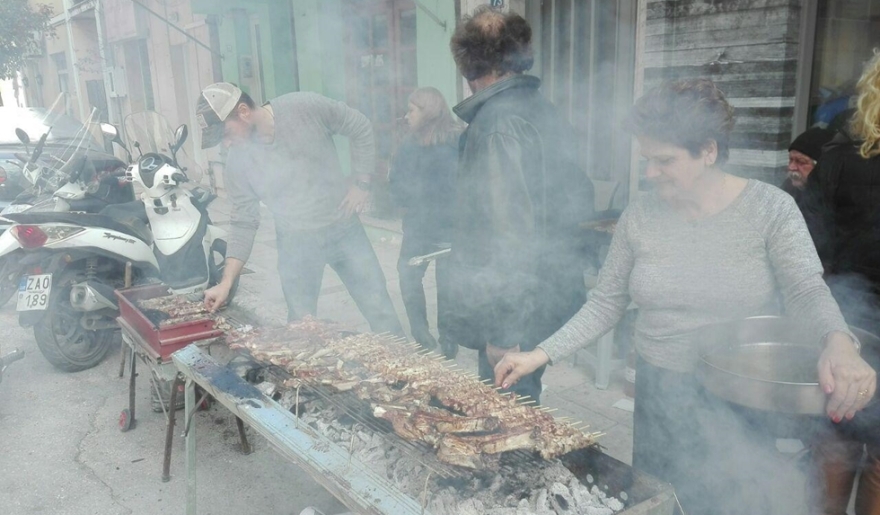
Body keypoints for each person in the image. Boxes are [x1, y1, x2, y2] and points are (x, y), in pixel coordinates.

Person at [494, 78, 877, 515]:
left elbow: (807, 289)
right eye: (647, 160)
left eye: (664, 161)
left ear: (708, 151)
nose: (650, 173)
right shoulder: (641, 214)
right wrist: (540, 354)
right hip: (661, 392)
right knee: (660, 499)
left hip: (737, 399)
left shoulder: (770, 209)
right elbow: (605, 302)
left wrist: (839, 341)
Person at [447, 7, 595, 403]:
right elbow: (577, 197)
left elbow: (507, 235)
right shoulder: (542, 109)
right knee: (526, 402)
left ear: (468, 63)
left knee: (505, 414)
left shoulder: (497, 123)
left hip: (518, 307)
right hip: (548, 291)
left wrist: (502, 330)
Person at [196, 83, 402, 335]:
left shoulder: (303, 107)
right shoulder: (238, 162)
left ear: (243, 111)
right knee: (300, 324)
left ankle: (407, 373)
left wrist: (362, 183)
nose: (226, 144)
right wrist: (226, 283)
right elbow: (243, 220)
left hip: (343, 228)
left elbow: (359, 125)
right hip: (295, 242)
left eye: (226, 133)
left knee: (379, 308)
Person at [801, 51, 880, 515]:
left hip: (845, 330)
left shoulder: (835, 159)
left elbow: (808, 253)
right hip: (849, 327)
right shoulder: (837, 160)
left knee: (836, 441)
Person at [389, 87, 462, 357]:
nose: (406, 116)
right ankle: (421, 333)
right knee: (408, 274)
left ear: (428, 110)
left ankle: (449, 339)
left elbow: (472, 181)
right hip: (419, 225)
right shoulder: (409, 143)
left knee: (448, 284)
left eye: (411, 110)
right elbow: (396, 183)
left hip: (450, 227)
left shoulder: (458, 139)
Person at [783, 127, 835, 205]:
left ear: (821, 167)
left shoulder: (835, 198)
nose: (791, 167)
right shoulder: (789, 188)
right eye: (791, 160)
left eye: (801, 162)